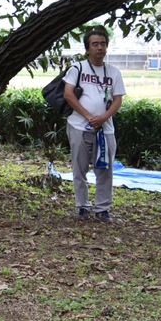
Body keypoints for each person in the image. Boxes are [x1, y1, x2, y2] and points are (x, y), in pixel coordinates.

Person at [63, 27, 126, 223]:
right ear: (87, 49)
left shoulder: (113, 72)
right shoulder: (77, 69)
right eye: (95, 44)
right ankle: (82, 206)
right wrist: (89, 116)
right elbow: (68, 94)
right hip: (79, 126)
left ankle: (102, 209)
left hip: (105, 129)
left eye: (103, 44)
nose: (100, 47)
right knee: (79, 169)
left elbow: (117, 99)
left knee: (105, 169)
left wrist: (103, 117)